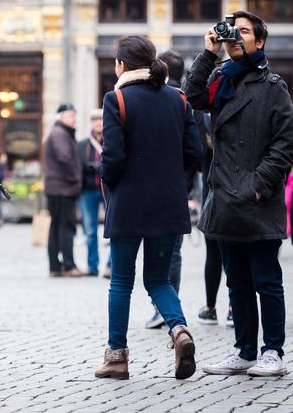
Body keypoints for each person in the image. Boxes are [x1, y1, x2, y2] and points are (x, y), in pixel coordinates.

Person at [184, 11, 293, 377]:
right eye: (233, 31)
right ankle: (245, 349)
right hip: (225, 199)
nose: (236, 37)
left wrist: (259, 186)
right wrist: (208, 52)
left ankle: (272, 351)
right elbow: (191, 97)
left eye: (244, 32)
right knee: (237, 280)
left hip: (256, 198)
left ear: (259, 42)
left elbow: (285, 143)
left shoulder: (273, 86)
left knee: (266, 279)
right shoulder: (220, 78)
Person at [94, 35, 201, 380]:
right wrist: (174, 183)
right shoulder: (178, 99)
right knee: (159, 279)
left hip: (129, 204)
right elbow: (195, 154)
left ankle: (116, 358)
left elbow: (112, 158)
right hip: (168, 205)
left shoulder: (117, 99)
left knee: (121, 281)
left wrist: (109, 182)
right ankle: (179, 329)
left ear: (122, 65)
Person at [144, 49, 189, 329]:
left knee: (148, 258)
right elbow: (195, 148)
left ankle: (163, 309)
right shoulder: (184, 100)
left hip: (148, 189)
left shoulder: (150, 98)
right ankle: (171, 308)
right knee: (173, 251)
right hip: (178, 188)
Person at [194, 110, 232, 327]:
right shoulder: (234, 108)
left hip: (211, 189)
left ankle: (210, 308)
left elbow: (196, 153)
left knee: (213, 252)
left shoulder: (202, 116)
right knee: (234, 251)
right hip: (235, 187)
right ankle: (233, 309)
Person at [42, 103, 83, 277]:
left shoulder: (59, 132)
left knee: (57, 227)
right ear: (62, 117)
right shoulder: (60, 133)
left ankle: (55, 266)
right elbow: (65, 158)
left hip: (57, 188)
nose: (75, 118)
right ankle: (68, 265)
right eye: (72, 115)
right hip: (63, 188)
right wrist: (75, 179)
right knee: (65, 227)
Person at [77, 109, 105, 277]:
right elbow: (78, 166)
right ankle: (92, 265)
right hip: (88, 190)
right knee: (90, 230)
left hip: (107, 190)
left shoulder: (111, 140)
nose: (98, 123)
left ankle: (111, 266)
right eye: (95, 120)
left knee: (114, 229)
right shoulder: (82, 144)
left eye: (100, 120)